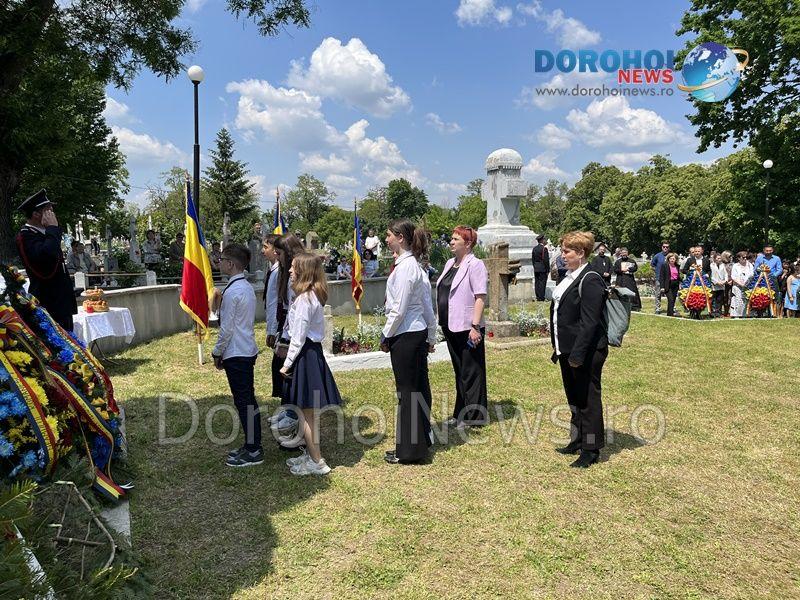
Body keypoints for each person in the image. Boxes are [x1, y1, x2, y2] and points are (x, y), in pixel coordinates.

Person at [280, 253, 343, 476]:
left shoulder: (304, 300)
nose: (290, 271)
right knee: (307, 413)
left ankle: (317, 462)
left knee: (307, 415)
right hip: (310, 354)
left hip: (305, 356)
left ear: (303, 271)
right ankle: (311, 454)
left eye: (293, 267)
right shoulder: (311, 296)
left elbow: (298, 338)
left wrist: (287, 364)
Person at [380, 219, 437, 465]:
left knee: (408, 392)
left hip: (406, 334)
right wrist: (431, 334)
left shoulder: (406, 268)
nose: (386, 239)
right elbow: (426, 306)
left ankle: (410, 451)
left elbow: (399, 308)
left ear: (400, 238)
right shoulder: (413, 266)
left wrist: (386, 334)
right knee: (417, 388)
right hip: (415, 332)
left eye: (389, 235)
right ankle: (421, 439)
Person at [550, 231, 608, 469]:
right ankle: (577, 439)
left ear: (581, 252)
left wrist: (577, 354)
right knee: (574, 397)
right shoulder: (569, 276)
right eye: (562, 251)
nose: (562, 255)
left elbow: (590, 322)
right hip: (567, 349)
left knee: (588, 400)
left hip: (585, 351)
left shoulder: (591, 278)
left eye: (566, 251)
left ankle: (591, 448)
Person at [211, 244, 262, 468]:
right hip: (244, 349)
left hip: (237, 352)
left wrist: (217, 352)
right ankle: (251, 445)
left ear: (231, 264)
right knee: (247, 400)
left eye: (221, 259)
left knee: (244, 402)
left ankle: (254, 449)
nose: (219, 262)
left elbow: (227, 329)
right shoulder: (244, 287)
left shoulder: (233, 291)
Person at [436, 226, 488, 428]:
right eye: (451, 238)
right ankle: (460, 411)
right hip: (451, 324)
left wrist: (475, 326)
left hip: (468, 327)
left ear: (468, 243)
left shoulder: (475, 265)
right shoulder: (450, 263)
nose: (451, 242)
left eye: (456, 239)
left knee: (471, 370)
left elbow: (480, 296)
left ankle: (474, 416)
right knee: (460, 369)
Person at [15, 189, 77, 331]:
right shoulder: (26, 236)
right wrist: (53, 229)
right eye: (48, 210)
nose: (53, 214)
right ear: (36, 214)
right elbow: (46, 258)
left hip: (62, 303)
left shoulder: (47, 233)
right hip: (47, 303)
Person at [269, 234, 306, 435]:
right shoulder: (286, 273)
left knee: (291, 375)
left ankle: (294, 418)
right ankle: (289, 411)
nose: (276, 256)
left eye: (279, 253)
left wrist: (286, 340)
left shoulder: (298, 276)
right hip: (287, 329)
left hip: (296, 334)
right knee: (285, 374)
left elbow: (295, 312)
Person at [261, 234, 281, 397]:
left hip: (279, 325)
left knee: (279, 365)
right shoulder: (273, 270)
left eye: (265, 247)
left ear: (275, 250)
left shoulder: (279, 272)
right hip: (274, 323)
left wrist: (272, 331)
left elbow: (276, 303)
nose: (263, 251)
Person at [730, 251, 754, 318]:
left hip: (748, 286)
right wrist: (741, 284)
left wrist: (747, 284)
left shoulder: (750, 265)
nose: (745, 259)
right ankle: (736, 315)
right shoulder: (735, 266)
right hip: (737, 286)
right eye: (743, 257)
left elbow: (752, 275)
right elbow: (733, 277)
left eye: (746, 257)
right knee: (737, 301)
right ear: (738, 258)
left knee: (747, 300)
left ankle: (747, 314)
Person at [650, 241, 670, 314]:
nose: (665, 248)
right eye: (664, 247)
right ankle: (657, 308)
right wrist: (658, 271)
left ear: (669, 248)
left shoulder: (671, 256)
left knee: (670, 294)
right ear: (662, 247)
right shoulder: (657, 256)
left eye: (667, 247)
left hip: (669, 278)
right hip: (659, 278)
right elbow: (652, 265)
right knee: (658, 294)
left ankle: (671, 308)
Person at [659, 252, 681, 316]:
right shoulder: (664, 265)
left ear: (675, 259)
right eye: (671, 258)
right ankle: (670, 314)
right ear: (668, 259)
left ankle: (670, 313)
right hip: (668, 285)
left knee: (673, 300)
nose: (672, 260)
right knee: (670, 299)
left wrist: (681, 283)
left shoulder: (677, 266)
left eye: (673, 259)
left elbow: (678, 276)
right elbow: (661, 277)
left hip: (675, 284)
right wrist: (662, 287)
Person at [531, 234, 550, 302]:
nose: (545, 240)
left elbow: (533, 259)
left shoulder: (534, 248)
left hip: (536, 268)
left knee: (537, 282)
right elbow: (546, 260)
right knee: (542, 283)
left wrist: (535, 266)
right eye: (544, 239)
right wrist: (548, 269)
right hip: (543, 268)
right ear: (542, 240)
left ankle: (538, 296)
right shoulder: (544, 249)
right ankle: (542, 297)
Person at [710, 253, 728, 318]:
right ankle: (713, 313)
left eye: (720, 258)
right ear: (715, 259)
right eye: (718, 258)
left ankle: (719, 312)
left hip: (722, 284)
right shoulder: (711, 265)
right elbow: (711, 276)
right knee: (713, 300)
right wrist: (717, 282)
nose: (719, 259)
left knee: (720, 300)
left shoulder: (722, 265)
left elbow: (726, 274)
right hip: (714, 285)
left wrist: (725, 281)